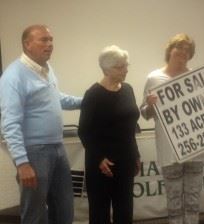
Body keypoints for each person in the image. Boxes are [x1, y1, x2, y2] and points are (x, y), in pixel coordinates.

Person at [0, 25, 82, 224]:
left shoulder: (46, 69)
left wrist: (88, 100)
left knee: (64, 208)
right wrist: (22, 163)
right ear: (27, 44)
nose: (50, 44)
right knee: (35, 213)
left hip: (57, 147)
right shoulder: (13, 76)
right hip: (34, 152)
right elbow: (10, 123)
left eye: (51, 40)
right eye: (44, 40)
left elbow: (55, 98)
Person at [140, 33, 204, 224]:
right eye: (180, 48)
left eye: (188, 50)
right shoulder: (154, 78)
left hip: (195, 147)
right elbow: (145, 113)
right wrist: (151, 105)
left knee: (193, 200)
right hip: (169, 149)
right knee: (174, 201)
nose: (183, 53)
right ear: (170, 50)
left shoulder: (197, 77)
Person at [78, 45, 141, 224]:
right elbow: (84, 131)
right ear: (106, 69)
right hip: (102, 165)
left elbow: (130, 127)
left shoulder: (128, 89)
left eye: (126, 65)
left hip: (126, 160)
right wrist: (99, 158)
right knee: (100, 213)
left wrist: (135, 154)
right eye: (120, 67)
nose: (125, 70)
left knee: (125, 211)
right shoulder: (93, 95)